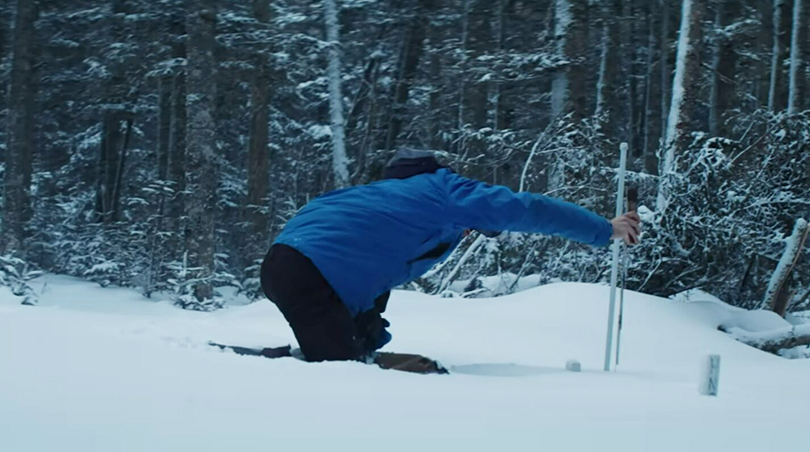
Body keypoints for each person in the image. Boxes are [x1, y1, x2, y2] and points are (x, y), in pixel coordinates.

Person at [260, 150, 640, 373]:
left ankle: (328, 354)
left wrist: (368, 339)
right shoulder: (444, 190)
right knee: (343, 375)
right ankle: (308, 363)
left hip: (285, 265)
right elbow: (529, 209)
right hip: (313, 273)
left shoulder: (376, 198)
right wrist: (604, 229)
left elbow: (355, 264)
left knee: (357, 345)